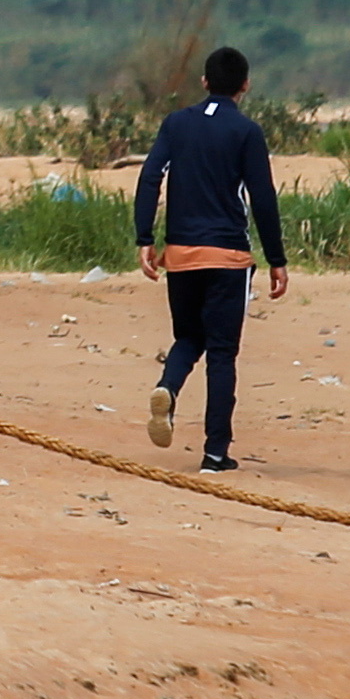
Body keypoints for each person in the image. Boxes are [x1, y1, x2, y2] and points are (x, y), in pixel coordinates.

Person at [126, 47, 290, 471]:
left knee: (188, 338)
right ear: (245, 85)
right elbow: (263, 198)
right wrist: (277, 258)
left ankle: (169, 386)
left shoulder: (176, 124)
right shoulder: (246, 131)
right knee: (221, 353)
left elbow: (150, 176)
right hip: (228, 257)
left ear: (203, 82)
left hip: (180, 253)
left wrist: (145, 237)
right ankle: (215, 452)